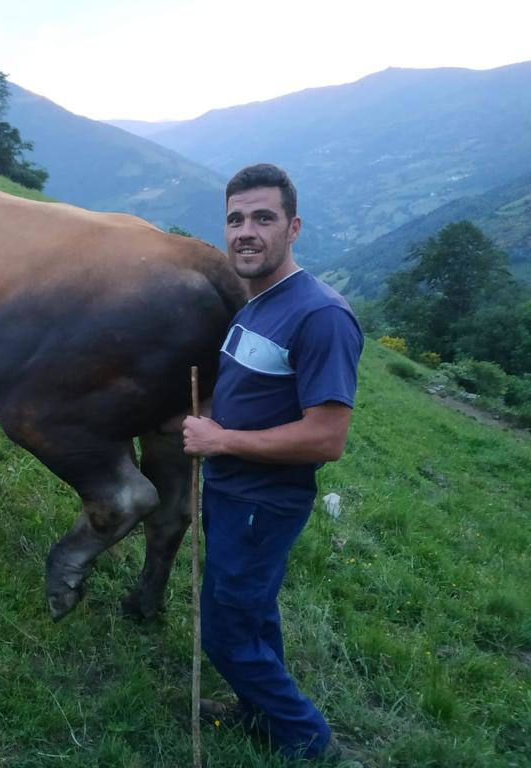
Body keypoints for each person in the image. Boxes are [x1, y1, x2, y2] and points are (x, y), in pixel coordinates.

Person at [182, 163, 363, 760]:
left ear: (293, 227)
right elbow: (249, 394)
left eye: (263, 217)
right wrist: (205, 421)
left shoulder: (320, 316)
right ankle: (255, 712)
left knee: (227, 633)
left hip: (262, 501)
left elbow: (326, 438)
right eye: (235, 219)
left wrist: (221, 443)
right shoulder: (254, 304)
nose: (246, 232)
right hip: (233, 491)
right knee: (253, 614)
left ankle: (311, 741)